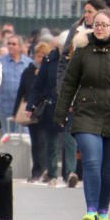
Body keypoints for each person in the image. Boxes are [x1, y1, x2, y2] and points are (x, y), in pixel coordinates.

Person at [54, 9, 110, 220]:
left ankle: (103, 212)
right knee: (92, 161)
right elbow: (69, 83)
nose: (100, 28)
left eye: (104, 24)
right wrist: (61, 112)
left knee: (109, 167)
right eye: (96, 24)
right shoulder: (82, 50)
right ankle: (91, 210)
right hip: (87, 112)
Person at [26, 36, 66, 188]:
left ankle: (69, 173)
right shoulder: (49, 60)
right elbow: (38, 85)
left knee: (70, 140)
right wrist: (30, 106)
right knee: (50, 141)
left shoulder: (76, 58)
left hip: (70, 106)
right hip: (50, 105)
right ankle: (52, 173)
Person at [14, 41, 54, 183]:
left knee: (45, 143)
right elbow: (21, 91)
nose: (41, 58)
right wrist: (16, 111)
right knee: (36, 143)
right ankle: (36, 170)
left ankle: (47, 170)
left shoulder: (50, 71)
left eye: (44, 55)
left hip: (46, 110)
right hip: (32, 111)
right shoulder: (28, 71)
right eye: (39, 55)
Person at [0, 35, 33, 131]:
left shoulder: (29, 63)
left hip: (22, 107)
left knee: (24, 137)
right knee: (7, 136)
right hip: (4, 105)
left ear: (20, 47)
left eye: (14, 44)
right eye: (9, 44)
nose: (11, 46)